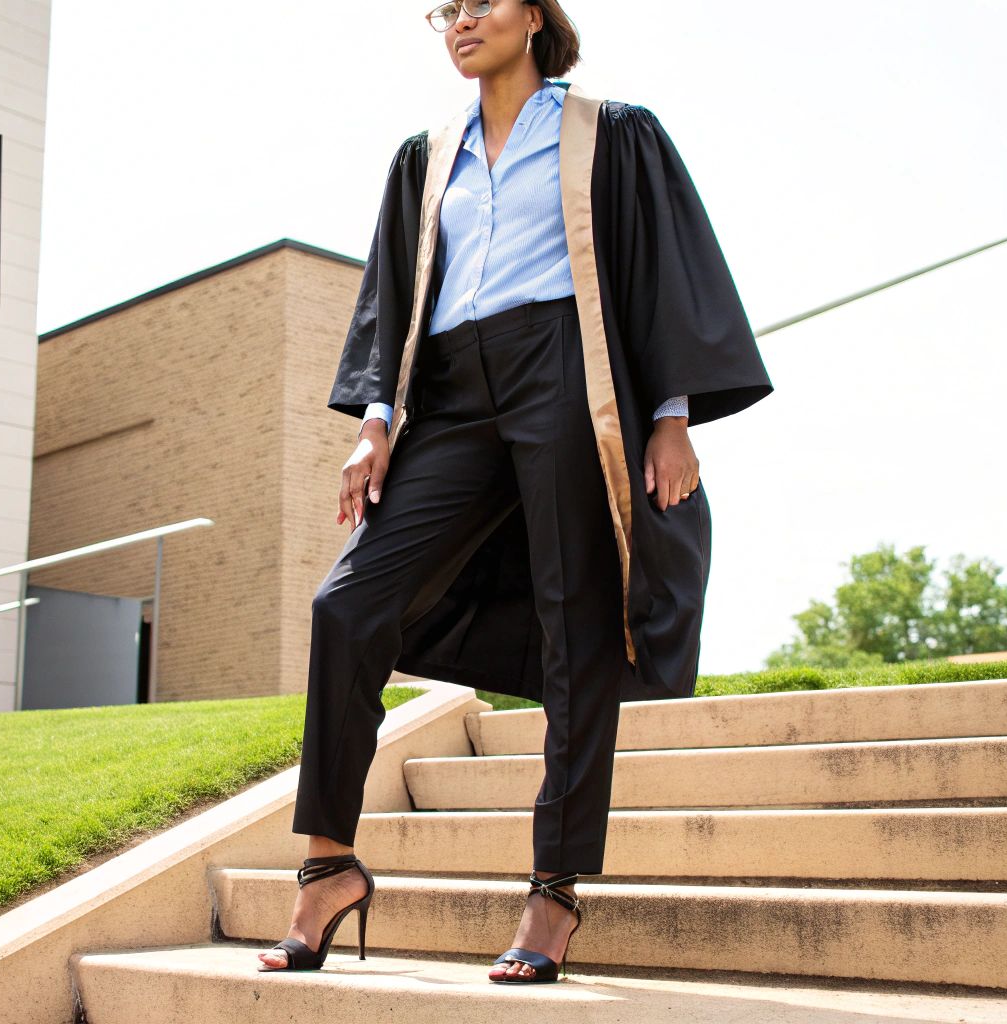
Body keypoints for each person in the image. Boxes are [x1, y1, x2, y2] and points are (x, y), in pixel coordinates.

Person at [258, 0, 774, 983]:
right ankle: (326, 864)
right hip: (450, 391)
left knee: (575, 621)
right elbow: (391, 293)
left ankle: (553, 893)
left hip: (562, 370)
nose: (458, 21)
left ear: (533, 16)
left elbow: (654, 272)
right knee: (347, 602)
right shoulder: (424, 156)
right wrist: (373, 425)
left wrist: (667, 417)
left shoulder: (606, 132)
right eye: (444, 10)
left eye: (479, 3)